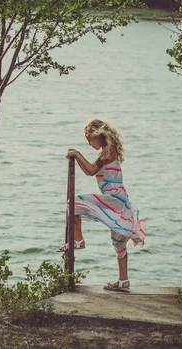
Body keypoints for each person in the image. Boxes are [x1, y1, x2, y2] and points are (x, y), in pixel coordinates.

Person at [58, 118, 146, 292]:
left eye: (90, 140)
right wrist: (77, 157)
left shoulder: (108, 151)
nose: (90, 144)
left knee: (73, 203)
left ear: (98, 135)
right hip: (118, 198)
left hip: (114, 198)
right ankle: (123, 281)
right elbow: (89, 170)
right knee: (118, 241)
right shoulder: (108, 150)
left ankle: (79, 240)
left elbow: (90, 171)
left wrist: (76, 154)